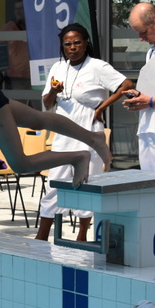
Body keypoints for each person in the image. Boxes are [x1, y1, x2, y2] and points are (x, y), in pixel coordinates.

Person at [35, 24, 132, 241]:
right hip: (63, 137)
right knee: (54, 186)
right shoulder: (58, 68)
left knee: (87, 185)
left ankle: (82, 237)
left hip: (89, 135)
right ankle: (41, 238)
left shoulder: (97, 67)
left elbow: (126, 85)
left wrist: (101, 107)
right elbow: (48, 104)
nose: (72, 47)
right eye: (67, 44)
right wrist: (53, 91)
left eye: (77, 42)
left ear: (86, 43)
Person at [123, 2, 155, 172]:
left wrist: (150, 101)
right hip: (148, 128)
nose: (141, 38)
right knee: (147, 182)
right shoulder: (152, 52)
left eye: (143, 32)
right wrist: (139, 97)